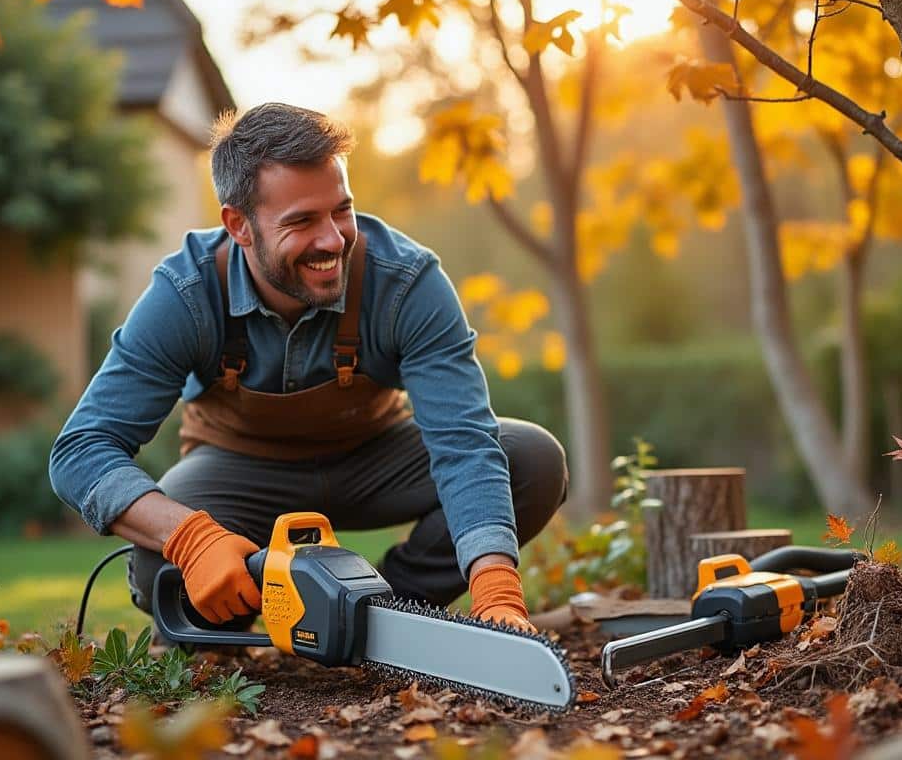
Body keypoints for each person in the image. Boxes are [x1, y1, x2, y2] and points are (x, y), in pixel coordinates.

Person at [49, 102, 566, 635]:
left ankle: (384, 613)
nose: (333, 239)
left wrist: (495, 586)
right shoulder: (186, 294)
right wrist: (192, 537)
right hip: (239, 470)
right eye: (301, 221)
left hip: (375, 460)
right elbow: (80, 451)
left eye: (340, 210)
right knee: (162, 565)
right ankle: (242, 611)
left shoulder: (406, 282)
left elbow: (462, 441)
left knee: (529, 459)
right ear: (239, 225)